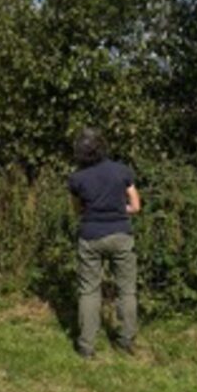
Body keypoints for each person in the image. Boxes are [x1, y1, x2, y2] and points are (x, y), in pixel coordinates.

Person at [68, 128, 141, 358]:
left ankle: (87, 346)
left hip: (90, 235)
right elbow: (136, 206)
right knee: (126, 290)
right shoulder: (122, 170)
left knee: (89, 291)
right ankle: (126, 340)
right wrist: (121, 210)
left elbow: (77, 210)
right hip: (120, 233)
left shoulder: (77, 178)